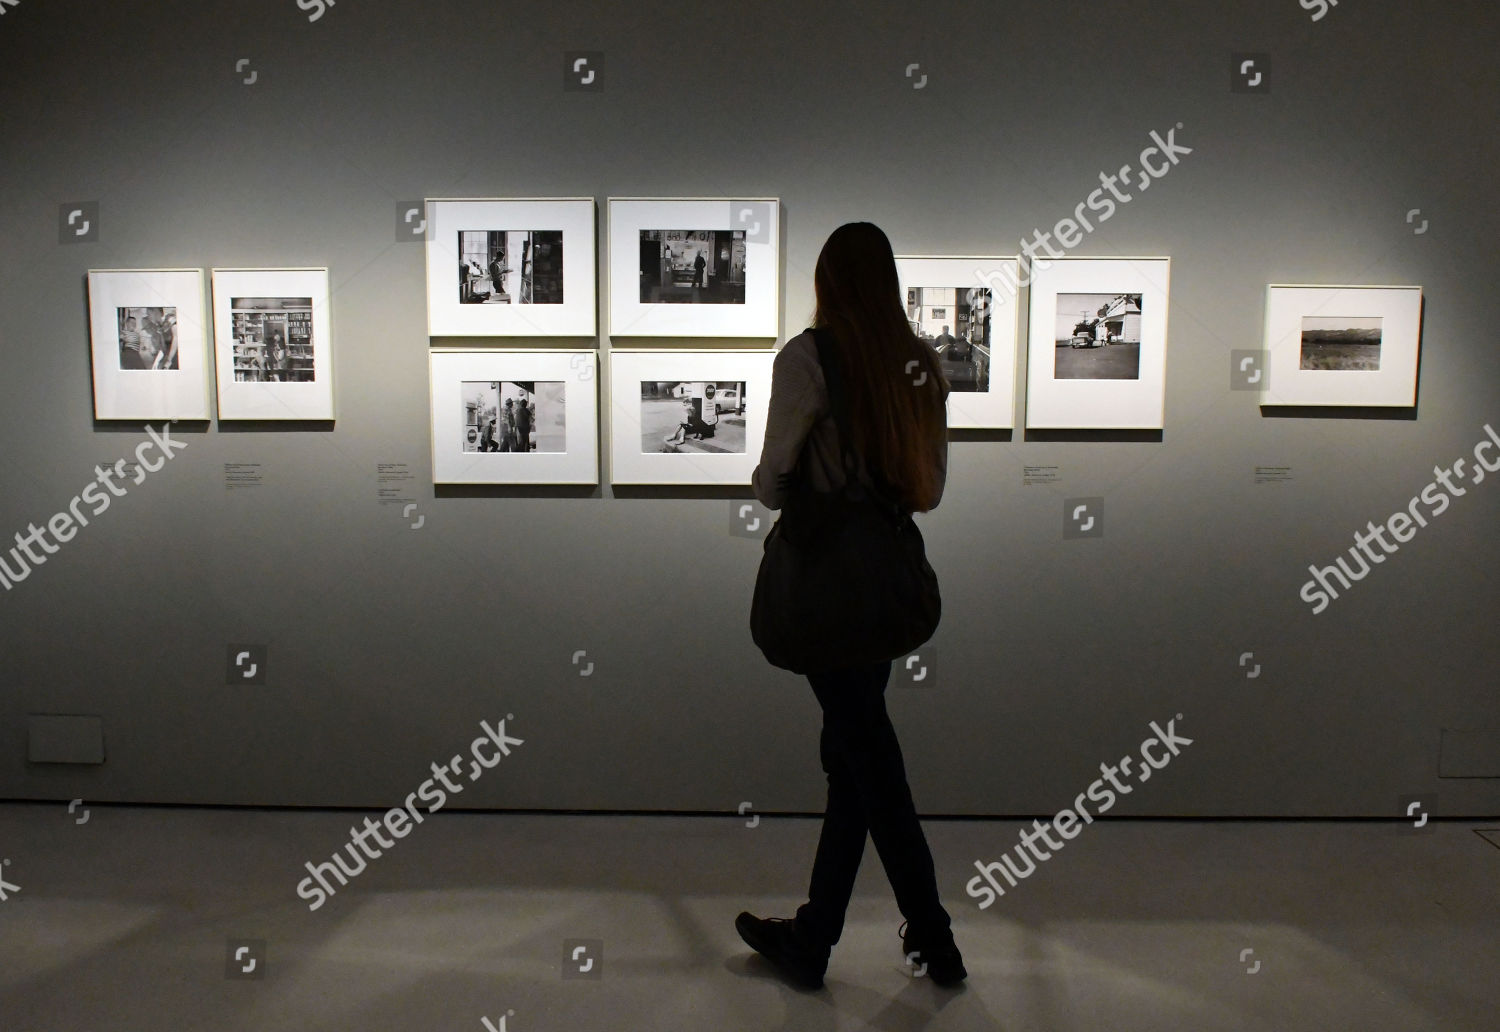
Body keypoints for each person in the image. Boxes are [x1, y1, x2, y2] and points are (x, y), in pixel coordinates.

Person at [736, 221, 965, 990]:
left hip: (826, 589)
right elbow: (927, 492)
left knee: (872, 764)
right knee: (854, 759)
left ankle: (935, 937)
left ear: (827, 282)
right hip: (886, 586)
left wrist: (798, 484)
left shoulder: (807, 359)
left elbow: (771, 478)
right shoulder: (919, 365)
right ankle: (813, 936)